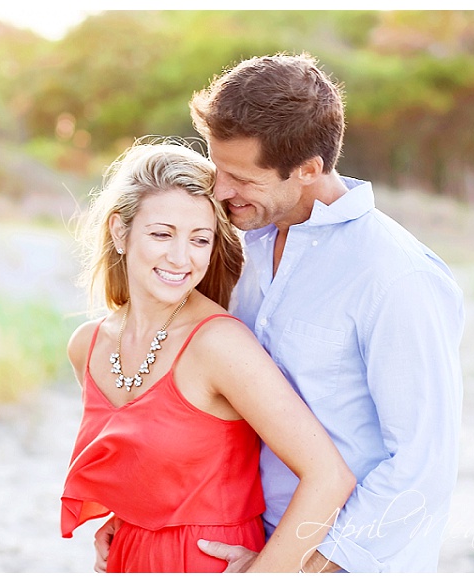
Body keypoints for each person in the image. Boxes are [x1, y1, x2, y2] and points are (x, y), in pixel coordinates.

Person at [95, 54, 465, 573]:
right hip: (241, 537)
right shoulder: (237, 244)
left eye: (242, 178)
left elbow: (422, 467)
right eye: (218, 168)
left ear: (309, 170)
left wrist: (291, 567)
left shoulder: (396, 277)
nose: (221, 191)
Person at [60, 139, 355, 573]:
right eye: (162, 234)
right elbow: (154, 462)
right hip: (129, 559)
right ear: (121, 232)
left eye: (200, 239)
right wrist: (126, 515)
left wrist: (265, 576)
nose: (181, 258)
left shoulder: (218, 345)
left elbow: (330, 478)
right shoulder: (88, 345)